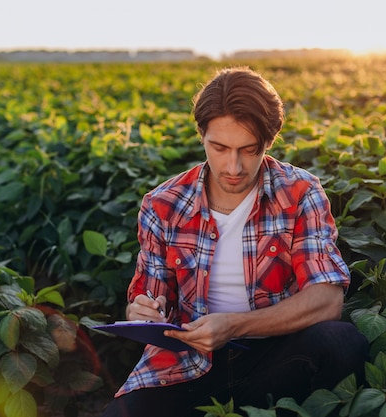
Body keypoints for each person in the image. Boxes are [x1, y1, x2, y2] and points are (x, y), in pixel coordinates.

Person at [100, 67, 368, 417]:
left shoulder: (300, 192)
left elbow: (326, 300)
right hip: (186, 364)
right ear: (201, 136)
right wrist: (141, 312)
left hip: (275, 357)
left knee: (340, 342)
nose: (233, 166)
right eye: (220, 147)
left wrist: (235, 325)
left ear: (269, 142)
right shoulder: (163, 204)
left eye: (248, 150)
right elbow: (146, 297)